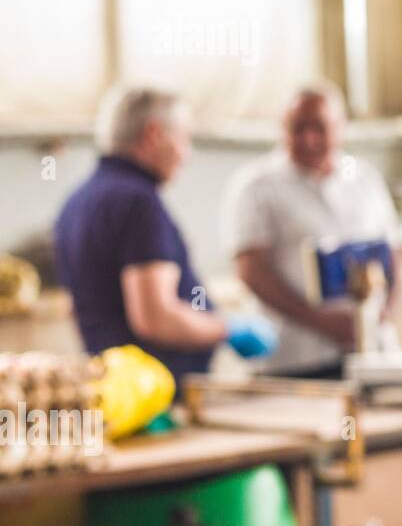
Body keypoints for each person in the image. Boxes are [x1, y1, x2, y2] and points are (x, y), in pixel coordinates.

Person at [54, 87, 275, 379]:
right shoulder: (138, 203)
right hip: (157, 395)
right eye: (184, 139)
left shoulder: (78, 202)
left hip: (116, 386)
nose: (187, 155)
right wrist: (227, 328)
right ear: (154, 134)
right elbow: (155, 318)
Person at [223, 83, 402, 378]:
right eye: (298, 128)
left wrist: (383, 316)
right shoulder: (256, 186)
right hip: (293, 358)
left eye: (319, 128)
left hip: (370, 351)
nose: (308, 139)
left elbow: (394, 253)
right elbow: (251, 269)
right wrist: (321, 321)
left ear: (341, 127)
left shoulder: (365, 179)